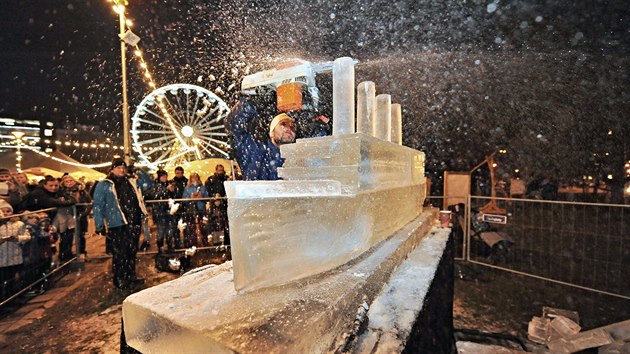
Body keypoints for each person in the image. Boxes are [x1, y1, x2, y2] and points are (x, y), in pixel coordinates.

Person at [92, 158, 148, 290]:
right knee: (120, 253)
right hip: (117, 224)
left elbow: (148, 183)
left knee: (132, 251)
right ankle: (120, 279)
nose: (122, 170)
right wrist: (99, 224)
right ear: (111, 169)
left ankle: (131, 276)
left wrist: (139, 170)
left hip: (134, 221)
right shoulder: (104, 185)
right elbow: (98, 205)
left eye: (123, 167)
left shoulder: (131, 181)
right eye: (118, 167)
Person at [0, 199, 31, 300]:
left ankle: (17, 296)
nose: (5, 213)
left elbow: (27, 236)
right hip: (2, 258)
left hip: (15, 255)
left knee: (15, 278)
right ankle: (6, 298)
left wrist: (17, 238)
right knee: (5, 280)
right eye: (3, 211)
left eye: (8, 211)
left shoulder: (19, 224)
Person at [58, 175, 92, 260]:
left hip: (80, 216)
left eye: (71, 181)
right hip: (67, 216)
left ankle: (81, 252)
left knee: (80, 235)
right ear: (63, 183)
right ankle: (66, 254)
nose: (69, 183)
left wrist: (84, 213)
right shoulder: (61, 192)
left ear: (75, 181)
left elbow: (88, 202)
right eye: (66, 181)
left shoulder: (81, 191)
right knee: (66, 235)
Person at [144, 170, 177, 251]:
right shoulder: (155, 185)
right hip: (160, 211)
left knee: (169, 230)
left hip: (169, 210)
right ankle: (160, 246)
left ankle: (169, 246)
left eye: (165, 176)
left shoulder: (168, 184)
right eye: (163, 176)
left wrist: (173, 191)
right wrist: (166, 190)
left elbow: (174, 196)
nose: (164, 178)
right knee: (161, 230)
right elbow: (154, 195)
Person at [182, 173, 208, 247]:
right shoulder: (187, 188)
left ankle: (205, 244)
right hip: (191, 209)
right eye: (193, 178)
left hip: (201, 208)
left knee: (203, 227)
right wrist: (191, 197)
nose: (195, 179)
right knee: (192, 228)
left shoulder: (202, 187)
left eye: (196, 177)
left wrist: (202, 197)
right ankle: (193, 244)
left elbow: (207, 197)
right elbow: (183, 199)